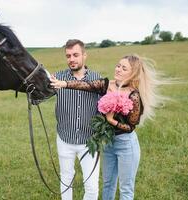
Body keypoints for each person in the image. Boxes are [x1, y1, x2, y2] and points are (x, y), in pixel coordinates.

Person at [51, 54, 166, 200]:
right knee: (108, 183)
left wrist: (111, 121)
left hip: (126, 144)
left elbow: (130, 127)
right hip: (108, 143)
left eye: (124, 68)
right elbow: (87, 85)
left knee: (126, 188)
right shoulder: (106, 85)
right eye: (118, 65)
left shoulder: (134, 95)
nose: (118, 69)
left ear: (133, 73)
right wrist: (64, 84)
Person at [53, 39, 103, 200]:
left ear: (84, 55)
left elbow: (105, 108)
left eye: (75, 55)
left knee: (92, 187)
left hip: (89, 141)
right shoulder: (58, 77)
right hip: (65, 139)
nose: (71, 59)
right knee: (66, 179)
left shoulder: (97, 78)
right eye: (68, 56)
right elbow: (39, 97)